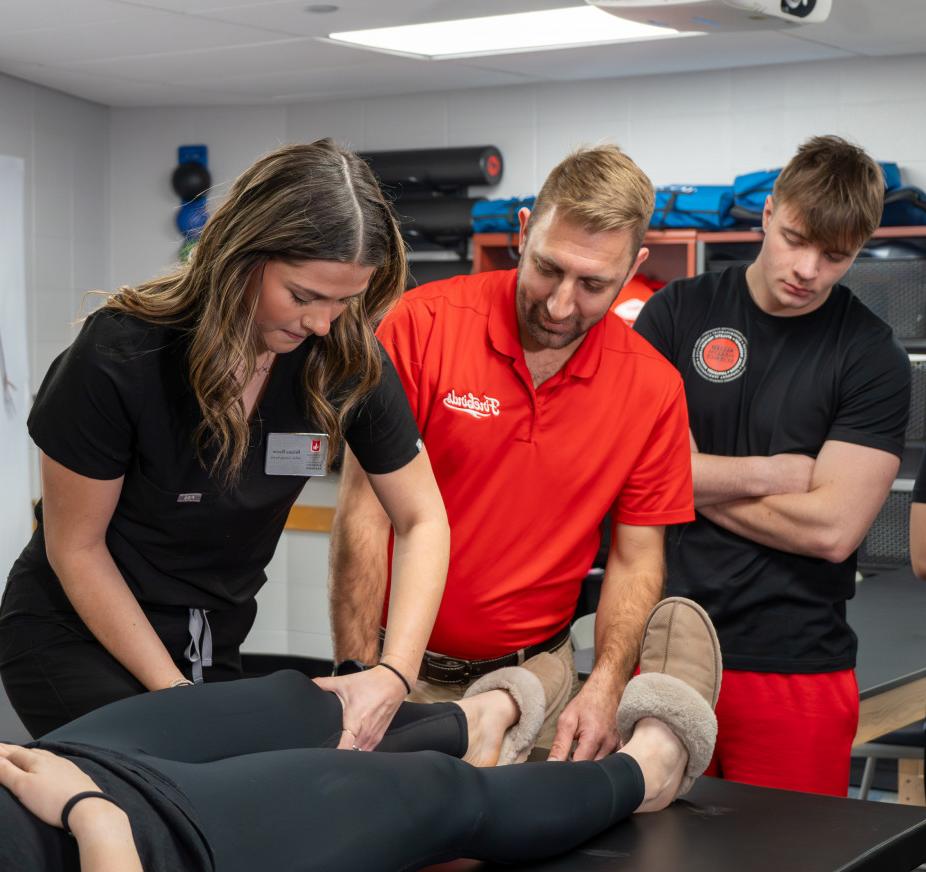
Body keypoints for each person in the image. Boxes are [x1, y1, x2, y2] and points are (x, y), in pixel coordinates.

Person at [0, 140, 450, 750]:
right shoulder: (123, 352)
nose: (321, 323)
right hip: (76, 631)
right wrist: (176, 697)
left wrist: (394, 674)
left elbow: (423, 517)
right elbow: (75, 547)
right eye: (303, 295)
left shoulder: (343, 357)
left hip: (211, 635)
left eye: (345, 301)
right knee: (167, 791)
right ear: (241, 253)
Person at [329, 145, 694, 763]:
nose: (559, 305)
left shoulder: (654, 388)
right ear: (523, 231)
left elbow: (636, 561)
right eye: (549, 269)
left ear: (635, 267)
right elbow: (364, 514)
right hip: (401, 673)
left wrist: (604, 687)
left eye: (593, 285)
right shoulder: (422, 325)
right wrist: (359, 672)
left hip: (536, 683)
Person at [0, 597, 721, 872]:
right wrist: (88, 813)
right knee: (435, 797)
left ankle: (471, 721)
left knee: (304, 703)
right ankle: (647, 773)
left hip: (65, 761)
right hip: (149, 844)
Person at [634, 135, 911, 796]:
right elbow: (628, 469)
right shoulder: (675, 314)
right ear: (767, 212)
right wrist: (771, 474)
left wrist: (690, 478)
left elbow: (831, 532)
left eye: (835, 255)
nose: (808, 269)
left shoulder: (871, 355)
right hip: (665, 645)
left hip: (796, 669)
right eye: (795, 238)